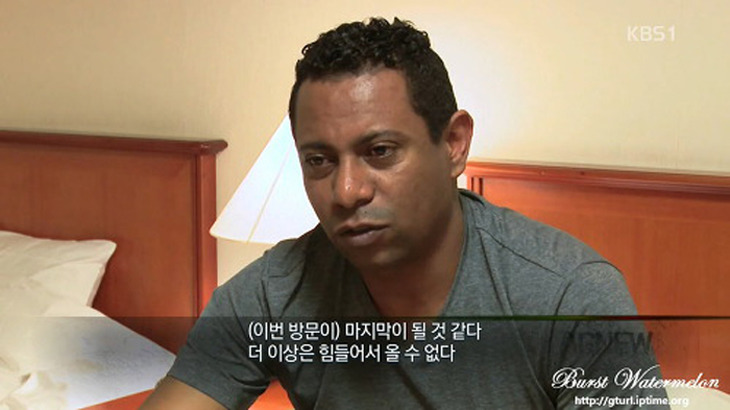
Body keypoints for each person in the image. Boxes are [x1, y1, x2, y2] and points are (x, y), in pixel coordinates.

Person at [143, 18, 667, 409]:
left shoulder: (567, 298)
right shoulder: (273, 294)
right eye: (319, 161)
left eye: (380, 152)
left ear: (454, 144)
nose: (346, 191)